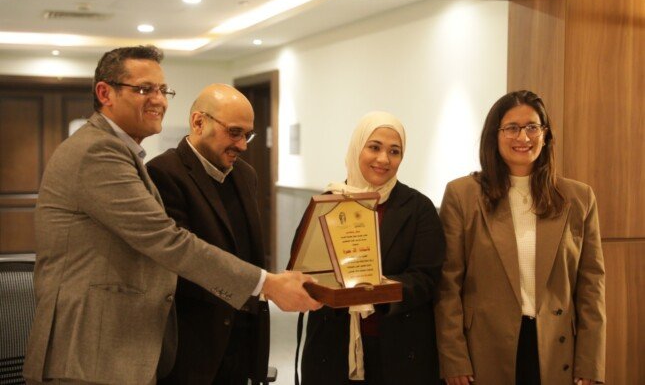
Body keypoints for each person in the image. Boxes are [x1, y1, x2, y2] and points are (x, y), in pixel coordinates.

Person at [23, 45, 321, 385]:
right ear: (105, 93)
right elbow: (166, 240)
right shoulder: (98, 150)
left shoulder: (122, 152)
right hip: (87, 354)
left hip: (115, 349)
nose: (159, 100)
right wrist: (267, 284)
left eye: (163, 90)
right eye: (144, 89)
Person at [435, 90, 606, 385]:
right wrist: (453, 358)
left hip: (556, 349)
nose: (523, 137)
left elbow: (592, 287)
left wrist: (590, 363)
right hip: (483, 350)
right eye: (511, 128)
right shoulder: (462, 195)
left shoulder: (578, 198)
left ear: (545, 134)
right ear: (495, 134)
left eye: (532, 127)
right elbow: (448, 286)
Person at [296, 111, 446, 385]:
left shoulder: (418, 208)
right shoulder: (327, 203)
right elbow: (304, 269)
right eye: (374, 147)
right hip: (333, 346)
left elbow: (426, 278)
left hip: (397, 349)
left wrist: (378, 290)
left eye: (394, 151)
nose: (383, 159)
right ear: (357, 148)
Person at [146, 84, 270, 384]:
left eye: (248, 135)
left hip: (243, 340)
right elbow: (180, 264)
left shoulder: (246, 175)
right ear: (199, 122)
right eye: (234, 132)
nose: (243, 145)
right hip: (195, 348)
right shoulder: (163, 173)